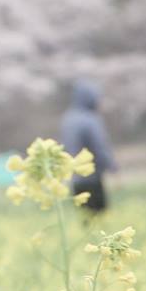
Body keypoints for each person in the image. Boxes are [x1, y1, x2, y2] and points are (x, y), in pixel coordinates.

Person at [58, 81, 118, 214]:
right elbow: (99, 147)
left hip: (74, 178)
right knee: (99, 220)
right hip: (92, 176)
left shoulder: (67, 119)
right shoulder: (90, 119)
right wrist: (112, 167)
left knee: (85, 219)